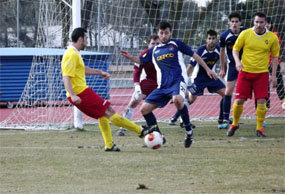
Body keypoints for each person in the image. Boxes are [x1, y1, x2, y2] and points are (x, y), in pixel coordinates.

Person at [121, 21, 217, 148]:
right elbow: (141, 60)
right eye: (161, 33)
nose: (164, 35)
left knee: (177, 100)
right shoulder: (154, 50)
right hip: (162, 86)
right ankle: (159, 135)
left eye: (166, 33)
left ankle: (189, 131)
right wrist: (130, 57)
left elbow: (195, 56)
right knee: (144, 109)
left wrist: (208, 69)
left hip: (178, 81)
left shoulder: (176, 44)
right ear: (158, 33)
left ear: (170, 32)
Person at [61, 27, 154, 152]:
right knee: (108, 110)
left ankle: (109, 145)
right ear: (80, 39)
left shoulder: (74, 53)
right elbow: (66, 76)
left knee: (102, 114)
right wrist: (72, 95)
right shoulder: (71, 54)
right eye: (86, 38)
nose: (87, 41)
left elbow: (81, 69)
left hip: (81, 91)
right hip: (80, 92)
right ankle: (140, 131)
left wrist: (99, 72)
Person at [227, 12, 280, 137]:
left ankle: (259, 128)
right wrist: (237, 62)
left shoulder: (272, 38)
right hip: (245, 72)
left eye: (261, 22)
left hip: (262, 74)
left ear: (265, 23)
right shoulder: (245, 34)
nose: (259, 25)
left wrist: (273, 75)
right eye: (257, 22)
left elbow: (275, 58)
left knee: (262, 101)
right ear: (253, 22)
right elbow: (235, 49)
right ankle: (234, 124)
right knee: (239, 100)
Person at [169, 30, 226, 126]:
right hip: (198, 78)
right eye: (209, 38)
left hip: (211, 77)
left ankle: (222, 119)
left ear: (216, 40)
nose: (211, 41)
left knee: (226, 95)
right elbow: (191, 66)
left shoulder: (218, 49)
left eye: (213, 38)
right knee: (191, 99)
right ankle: (174, 117)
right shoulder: (201, 50)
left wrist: (223, 69)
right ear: (206, 40)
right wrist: (184, 79)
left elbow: (223, 60)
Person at [116, 35, 160, 136]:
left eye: (157, 44)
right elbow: (137, 73)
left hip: (164, 84)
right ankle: (122, 128)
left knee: (180, 99)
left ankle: (182, 121)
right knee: (133, 102)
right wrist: (137, 87)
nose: (155, 46)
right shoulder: (144, 55)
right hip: (149, 83)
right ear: (148, 44)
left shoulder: (165, 54)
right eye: (153, 44)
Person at [219, 12, 247, 129]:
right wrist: (222, 68)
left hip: (247, 65)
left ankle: (260, 118)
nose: (234, 24)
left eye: (237, 21)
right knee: (228, 91)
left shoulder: (246, 32)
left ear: (240, 23)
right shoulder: (224, 36)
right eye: (232, 21)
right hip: (232, 66)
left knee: (249, 92)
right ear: (229, 23)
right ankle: (226, 118)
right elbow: (222, 53)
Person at [265, 17, 285, 109]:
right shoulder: (257, 35)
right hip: (262, 63)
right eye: (265, 23)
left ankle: (283, 100)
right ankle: (266, 104)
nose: (266, 25)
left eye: (267, 23)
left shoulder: (275, 35)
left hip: (273, 62)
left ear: (270, 24)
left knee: (279, 81)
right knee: (264, 84)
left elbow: (276, 50)